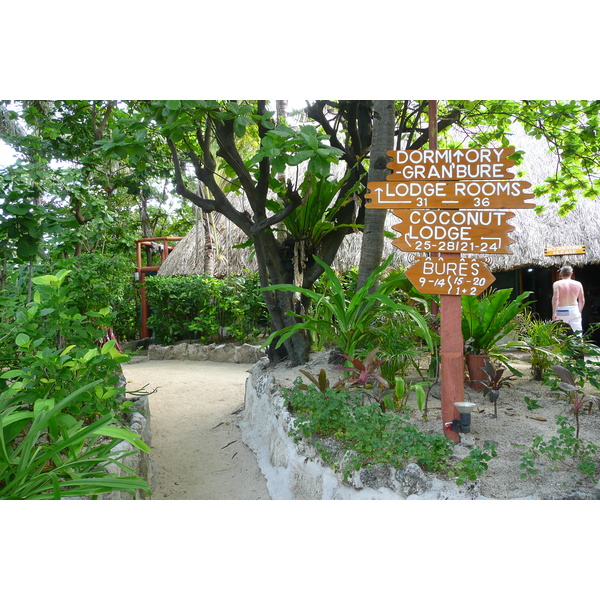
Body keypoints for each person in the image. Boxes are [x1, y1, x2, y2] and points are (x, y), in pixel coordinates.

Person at [552, 265, 585, 333]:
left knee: (561, 332)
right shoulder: (578, 284)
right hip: (574, 309)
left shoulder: (557, 284)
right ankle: (578, 343)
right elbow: (582, 300)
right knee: (577, 332)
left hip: (561, 310)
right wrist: (579, 311)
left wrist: (554, 312)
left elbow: (556, 298)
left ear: (560, 274)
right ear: (571, 274)